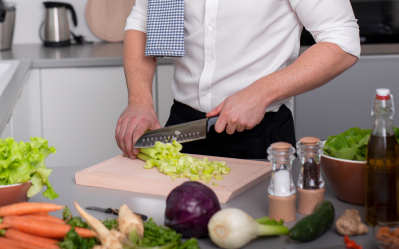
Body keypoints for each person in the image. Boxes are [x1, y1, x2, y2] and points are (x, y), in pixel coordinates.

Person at [115, 0, 360, 159]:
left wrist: (260, 93)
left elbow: (343, 40)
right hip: (182, 129)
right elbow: (143, 22)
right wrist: (139, 101)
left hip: (259, 136)